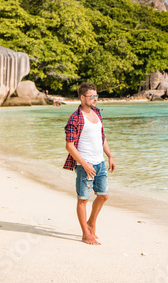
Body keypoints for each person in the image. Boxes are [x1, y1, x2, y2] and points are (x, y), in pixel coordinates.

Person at [64, 83, 116, 245]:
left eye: (96, 96)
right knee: (83, 199)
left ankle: (91, 223)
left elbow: (102, 137)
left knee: (104, 195)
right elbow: (69, 145)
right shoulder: (75, 118)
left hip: (99, 163)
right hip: (85, 165)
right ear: (82, 97)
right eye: (91, 96)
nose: (95, 99)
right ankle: (86, 234)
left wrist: (109, 156)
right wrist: (84, 165)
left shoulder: (97, 113)